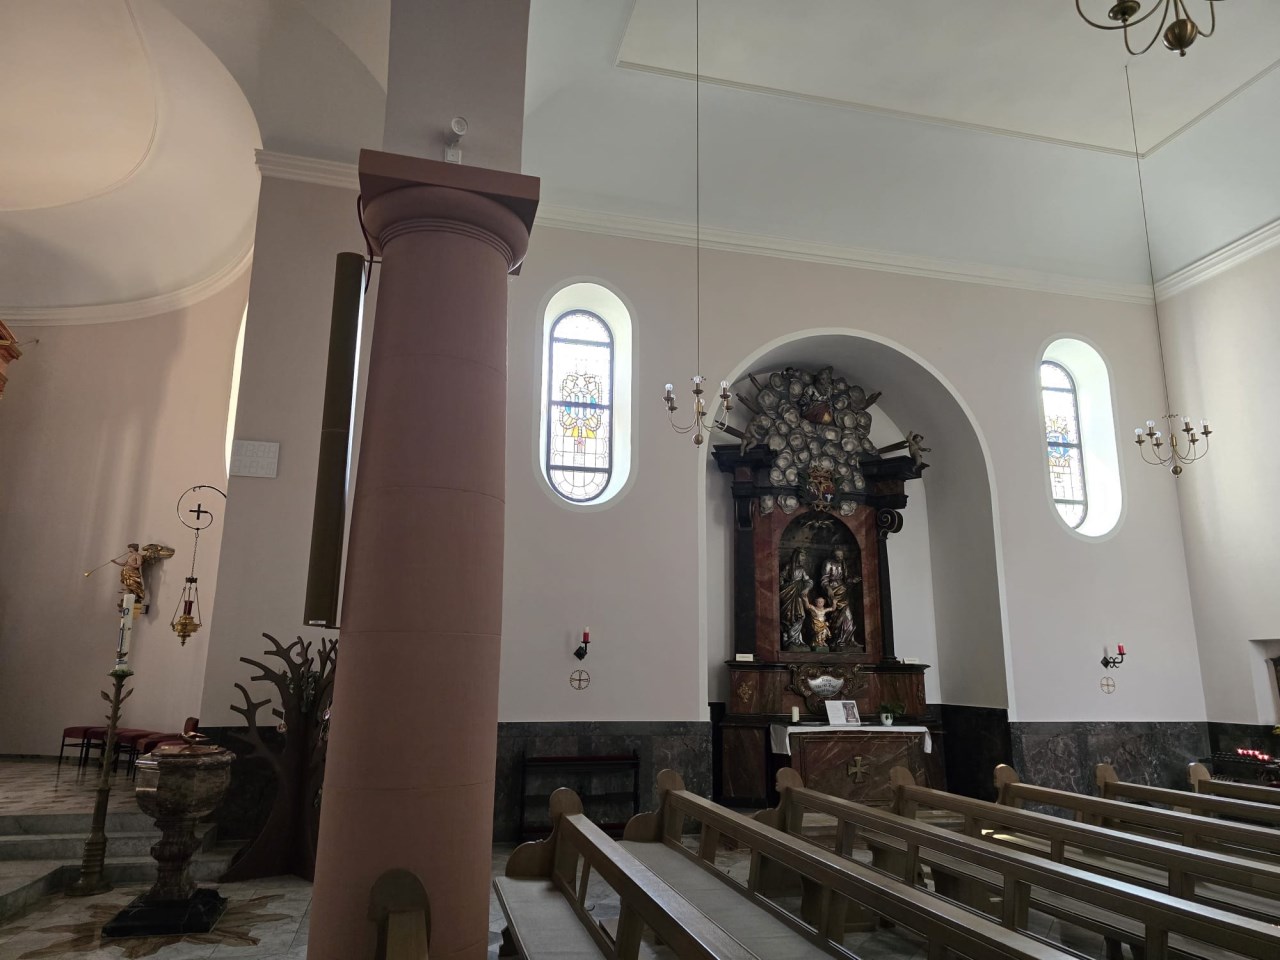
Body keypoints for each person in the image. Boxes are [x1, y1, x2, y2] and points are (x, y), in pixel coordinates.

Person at [778, 548, 812, 650]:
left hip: (798, 595)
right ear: (796, 556)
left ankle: (796, 640)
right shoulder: (789, 567)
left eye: (804, 556)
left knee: (801, 616)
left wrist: (807, 589)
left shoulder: (802, 569)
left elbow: (809, 581)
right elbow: (781, 577)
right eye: (802, 556)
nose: (803, 558)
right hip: (788, 594)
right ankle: (790, 641)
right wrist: (783, 586)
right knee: (789, 617)